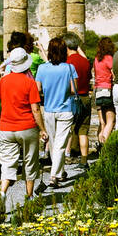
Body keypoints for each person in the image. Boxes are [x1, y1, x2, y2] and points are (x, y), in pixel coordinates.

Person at [0, 46, 46, 199]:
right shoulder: (30, 83)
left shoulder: (3, 81)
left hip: (6, 127)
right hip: (27, 127)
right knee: (30, 161)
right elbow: (35, 109)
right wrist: (42, 129)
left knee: (8, 163)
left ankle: (2, 192)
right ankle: (29, 196)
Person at [35, 37, 80, 188]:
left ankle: (58, 173)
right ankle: (55, 175)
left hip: (48, 109)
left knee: (54, 143)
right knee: (60, 144)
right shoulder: (69, 68)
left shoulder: (42, 68)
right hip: (65, 109)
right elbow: (74, 90)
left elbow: (38, 89)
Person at [63, 34, 93, 162]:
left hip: (72, 98)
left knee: (69, 127)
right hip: (85, 97)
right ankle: (84, 159)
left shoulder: (68, 62)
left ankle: (68, 156)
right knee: (83, 129)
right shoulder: (85, 61)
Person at [93, 37, 116, 144]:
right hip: (107, 89)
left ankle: (99, 144)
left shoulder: (97, 59)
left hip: (97, 90)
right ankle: (104, 145)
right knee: (110, 120)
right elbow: (114, 74)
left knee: (102, 122)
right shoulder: (109, 58)